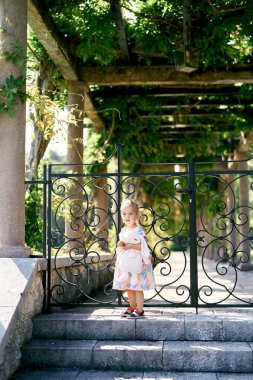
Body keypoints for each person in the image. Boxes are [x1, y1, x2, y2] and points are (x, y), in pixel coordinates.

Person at [112, 199, 155, 318]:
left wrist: (130, 245)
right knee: (129, 287)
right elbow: (122, 244)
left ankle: (140, 309)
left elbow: (144, 245)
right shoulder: (124, 230)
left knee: (138, 287)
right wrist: (120, 244)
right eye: (124, 214)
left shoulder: (138, 230)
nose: (127, 216)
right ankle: (132, 306)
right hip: (126, 263)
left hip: (137, 263)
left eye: (131, 214)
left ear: (137, 215)